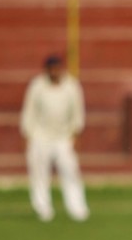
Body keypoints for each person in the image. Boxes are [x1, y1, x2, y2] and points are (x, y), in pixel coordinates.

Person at [19, 54, 89, 222]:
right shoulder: (37, 86)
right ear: (47, 70)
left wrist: (75, 134)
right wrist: (27, 134)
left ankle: (77, 208)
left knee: (70, 172)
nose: (55, 72)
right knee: (39, 174)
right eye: (52, 69)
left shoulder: (71, 86)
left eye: (57, 69)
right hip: (40, 136)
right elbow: (29, 111)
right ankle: (43, 209)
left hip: (63, 137)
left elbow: (77, 112)